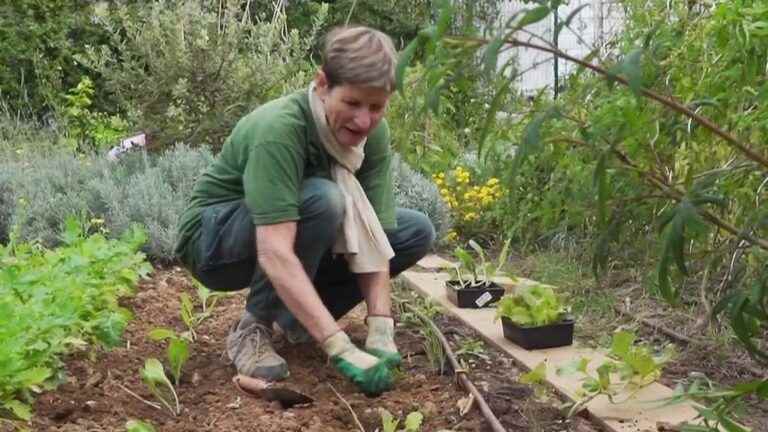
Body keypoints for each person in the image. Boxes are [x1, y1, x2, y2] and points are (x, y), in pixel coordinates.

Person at [174, 26, 435, 396]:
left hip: (293, 226)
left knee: (413, 231)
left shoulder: (372, 135)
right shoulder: (281, 128)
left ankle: (296, 321)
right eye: (353, 103)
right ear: (323, 84)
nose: (364, 121)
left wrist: (381, 328)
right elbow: (275, 250)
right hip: (213, 242)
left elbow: (375, 237)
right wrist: (339, 345)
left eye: (377, 107)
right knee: (324, 199)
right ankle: (253, 329)